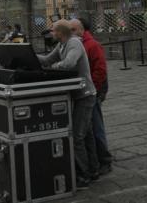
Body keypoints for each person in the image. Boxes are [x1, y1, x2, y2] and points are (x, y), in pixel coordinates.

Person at [37, 19, 99, 189]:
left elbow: (69, 63)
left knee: (77, 137)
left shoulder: (74, 44)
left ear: (61, 32)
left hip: (85, 95)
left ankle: (84, 176)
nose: (51, 33)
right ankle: (94, 169)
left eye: (53, 30)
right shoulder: (62, 45)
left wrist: (54, 67)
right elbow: (47, 59)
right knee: (86, 135)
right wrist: (29, 56)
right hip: (79, 95)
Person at [70, 18, 113, 174]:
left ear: (82, 30)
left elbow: (100, 70)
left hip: (93, 90)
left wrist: (93, 88)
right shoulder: (80, 43)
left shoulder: (91, 44)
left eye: (73, 30)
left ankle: (105, 160)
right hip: (89, 89)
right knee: (89, 126)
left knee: (95, 125)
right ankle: (95, 159)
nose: (71, 33)